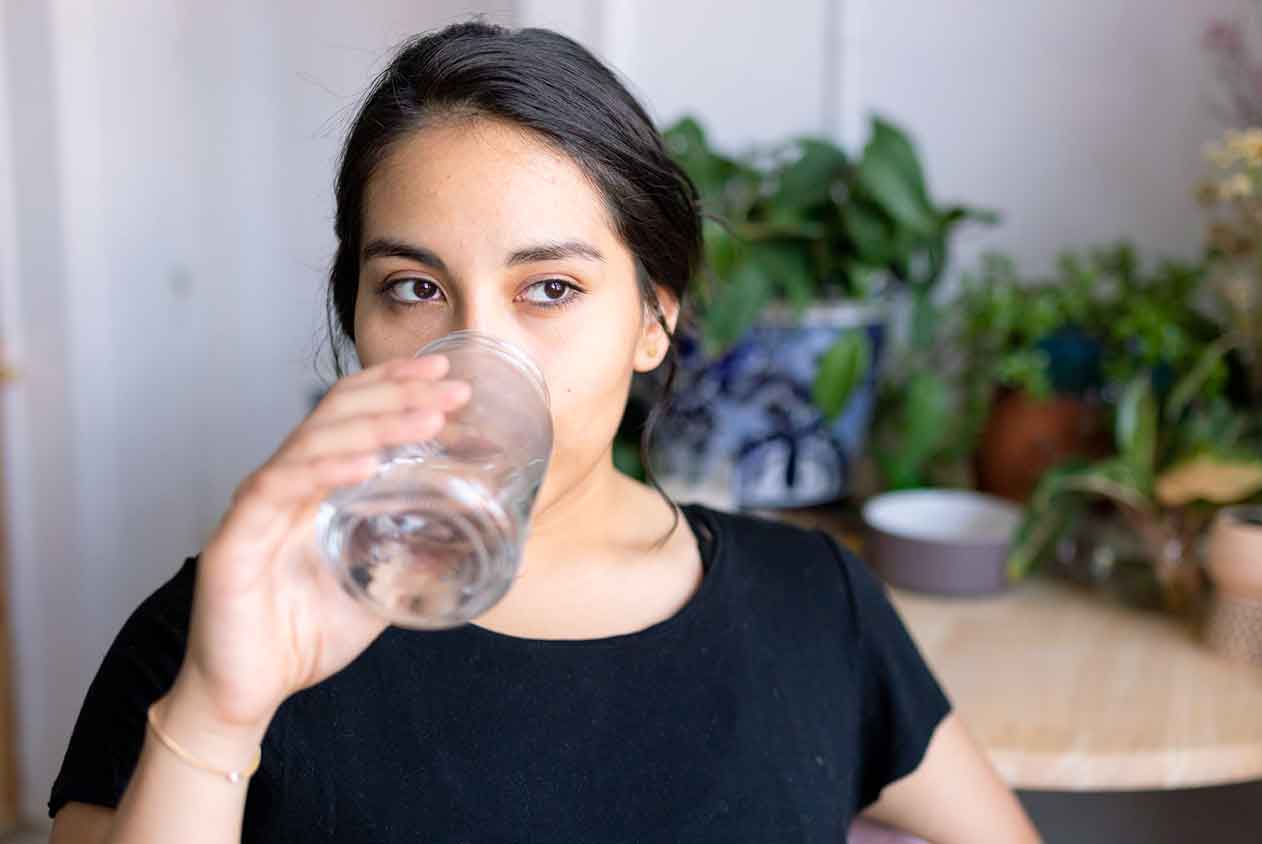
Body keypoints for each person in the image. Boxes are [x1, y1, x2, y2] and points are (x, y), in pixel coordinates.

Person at [46, 22, 1039, 844]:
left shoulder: (811, 604)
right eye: (415, 288)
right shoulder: (222, 625)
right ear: (358, 319)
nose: (476, 353)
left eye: (551, 288)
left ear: (654, 319)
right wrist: (220, 712)